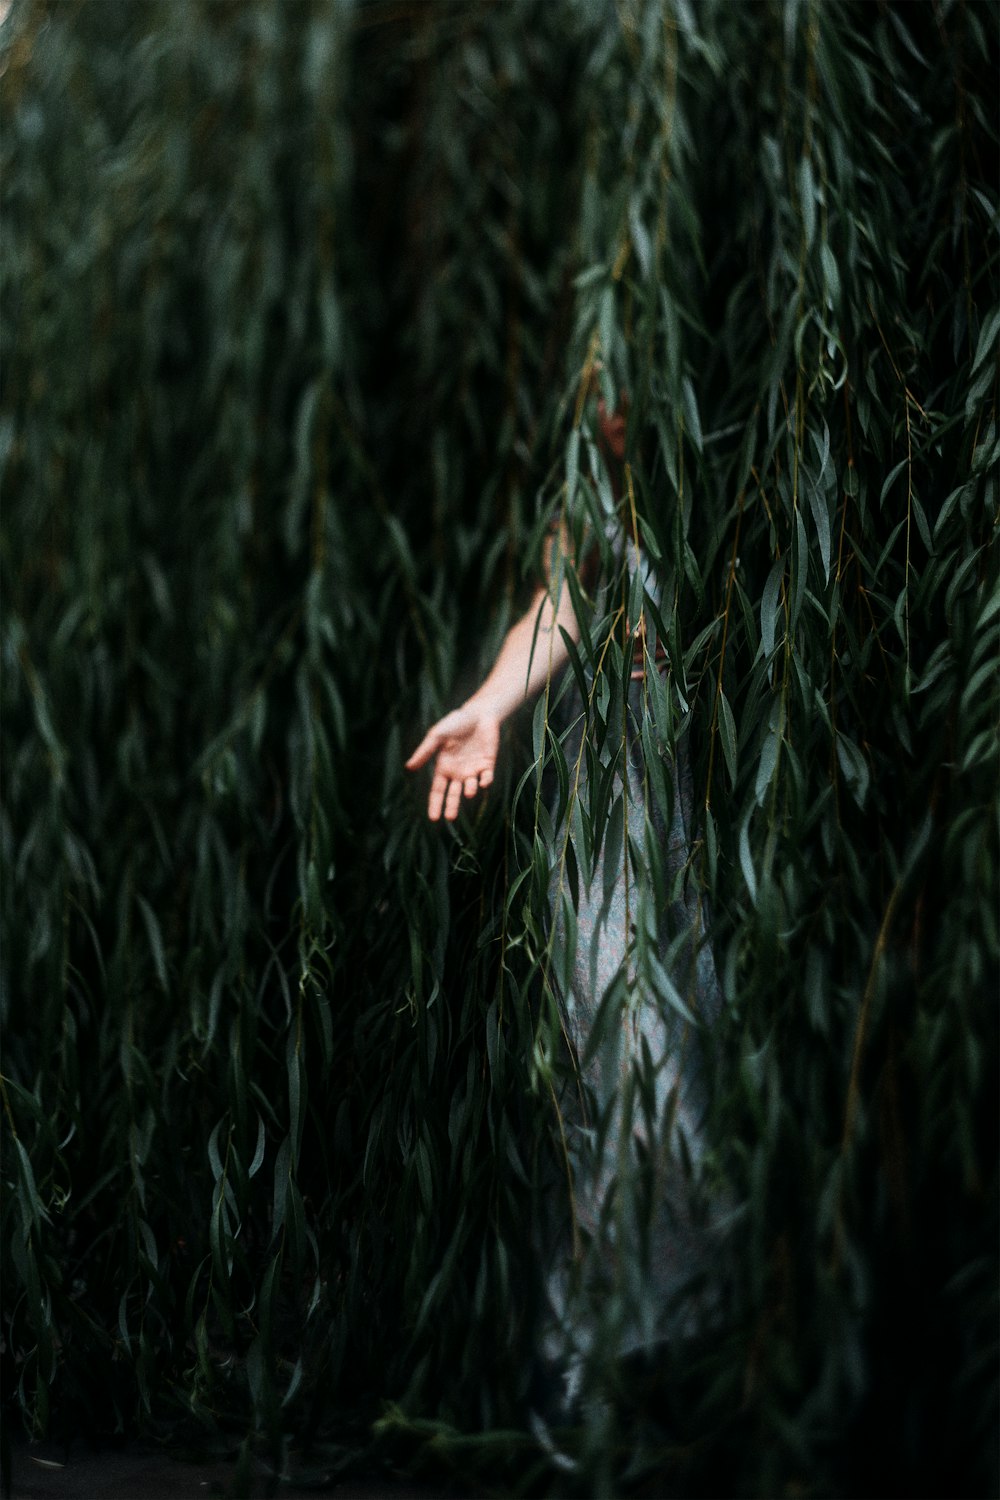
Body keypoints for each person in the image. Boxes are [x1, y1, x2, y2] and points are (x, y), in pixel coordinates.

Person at [406, 389, 723, 1390]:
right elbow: (558, 604)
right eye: (600, 379)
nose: (612, 399)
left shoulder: (761, 461)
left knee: (714, 1061)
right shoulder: (597, 498)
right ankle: (603, 1343)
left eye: (631, 374)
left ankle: (713, 1338)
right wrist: (490, 707)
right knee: (619, 1058)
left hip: (723, 808)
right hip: (618, 807)